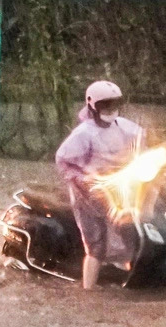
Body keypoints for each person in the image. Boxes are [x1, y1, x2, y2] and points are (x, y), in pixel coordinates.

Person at [54, 79, 147, 290]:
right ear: (93, 105)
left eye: (115, 105)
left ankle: (130, 284)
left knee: (131, 237)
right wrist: (84, 180)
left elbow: (141, 153)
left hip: (121, 190)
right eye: (106, 105)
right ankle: (88, 291)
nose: (111, 110)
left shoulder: (128, 129)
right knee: (95, 244)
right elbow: (64, 162)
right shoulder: (83, 134)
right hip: (88, 194)